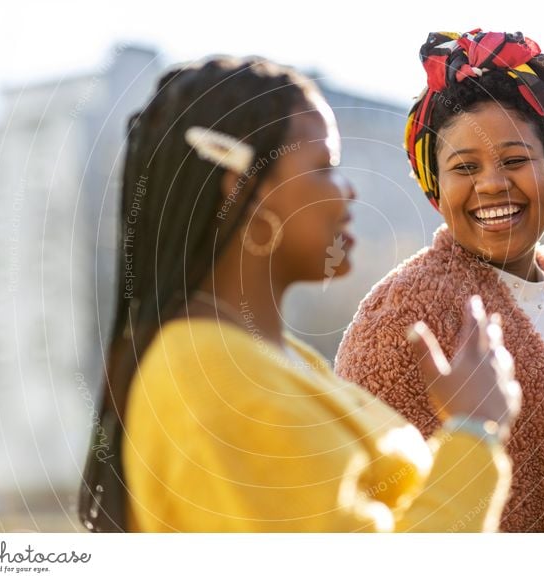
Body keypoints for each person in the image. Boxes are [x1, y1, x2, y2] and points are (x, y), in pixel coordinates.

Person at [77, 55, 521, 532]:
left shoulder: (278, 361)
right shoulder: (206, 377)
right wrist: (474, 432)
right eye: (323, 166)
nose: (348, 189)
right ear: (243, 191)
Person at [335, 29, 544, 532]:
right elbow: (367, 515)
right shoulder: (399, 320)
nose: (492, 183)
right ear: (436, 187)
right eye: (464, 166)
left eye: (515, 160)